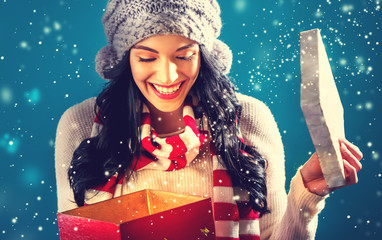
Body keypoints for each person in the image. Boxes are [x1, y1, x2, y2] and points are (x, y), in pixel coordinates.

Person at [54, 0, 363, 239]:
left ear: (205, 54)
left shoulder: (249, 120)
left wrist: (307, 192)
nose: (168, 76)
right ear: (123, 58)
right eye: (147, 57)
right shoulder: (81, 125)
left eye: (184, 55)